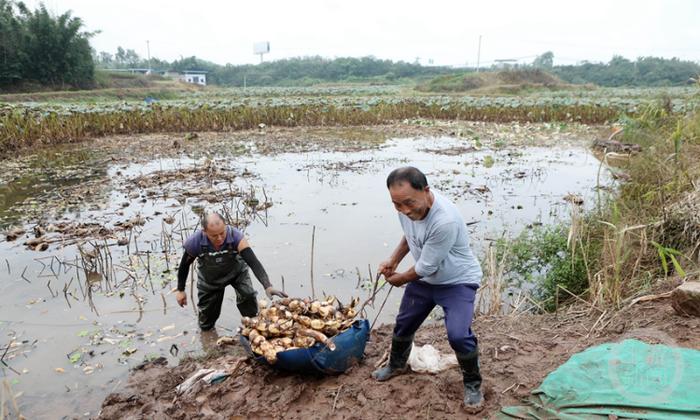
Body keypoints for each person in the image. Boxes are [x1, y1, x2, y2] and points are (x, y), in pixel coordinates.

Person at [372, 166, 484, 411]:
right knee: (404, 324)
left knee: (458, 334)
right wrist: (393, 260)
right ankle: (397, 364)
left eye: (409, 203)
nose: (404, 210)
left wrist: (399, 278)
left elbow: (424, 267)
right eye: (397, 205)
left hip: (457, 281)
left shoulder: (445, 220)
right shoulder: (406, 206)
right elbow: (409, 235)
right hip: (426, 280)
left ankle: (473, 383)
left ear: (426, 190)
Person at [175, 211, 286, 330]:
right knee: (206, 320)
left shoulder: (236, 237)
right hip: (210, 279)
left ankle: (252, 327)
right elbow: (184, 266)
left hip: (237, 273)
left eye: (222, 233)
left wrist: (267, 286)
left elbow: (253, 261)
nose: (219, 238)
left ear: (226, 227)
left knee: (248, 296)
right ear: (204, 232)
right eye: (214, 236)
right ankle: (207, 337)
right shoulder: (195, 242)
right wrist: (181, 290)